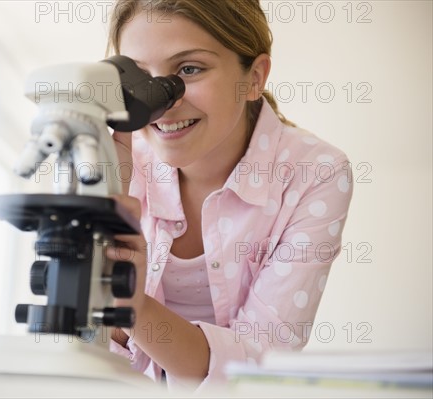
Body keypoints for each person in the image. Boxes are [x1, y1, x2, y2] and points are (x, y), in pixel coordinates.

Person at [104, 0, 353, 391]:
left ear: (254, 77)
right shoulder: (109, 158)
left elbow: (260, 362)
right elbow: (82, 345)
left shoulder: (313, 172)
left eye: (189, 69)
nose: (160, 102)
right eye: (138, 76)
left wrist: (129, 306)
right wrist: (104, 190)